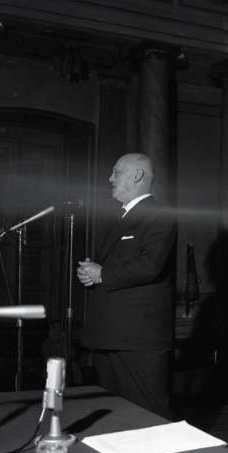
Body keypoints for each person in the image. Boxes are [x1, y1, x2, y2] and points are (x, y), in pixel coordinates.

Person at [77, 153, 176, 416]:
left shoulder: (160, 215)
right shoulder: (119, 217)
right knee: (115, 415)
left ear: (137, 175)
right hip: (110, 335)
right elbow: (116, 266)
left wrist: (102, 274)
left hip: (138, 339)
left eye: (116, 172)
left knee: (149, 415)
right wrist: (91, 274)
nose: (110, 178)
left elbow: (150, 265)